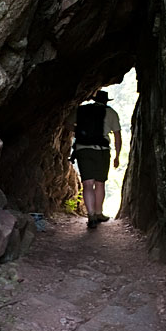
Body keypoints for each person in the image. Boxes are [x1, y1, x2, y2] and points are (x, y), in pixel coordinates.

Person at [66, 89, 122, 229]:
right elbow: (117, 136)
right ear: (105, 101)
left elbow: (67, 124)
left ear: (94, 99)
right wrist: (117, 156)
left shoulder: (81, 110)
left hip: (83, 150)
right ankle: (98, 213)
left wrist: (81, 132)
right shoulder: (111, 113)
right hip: (101, 151)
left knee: (87, 183)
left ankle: (90, 215)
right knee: (100, 183)